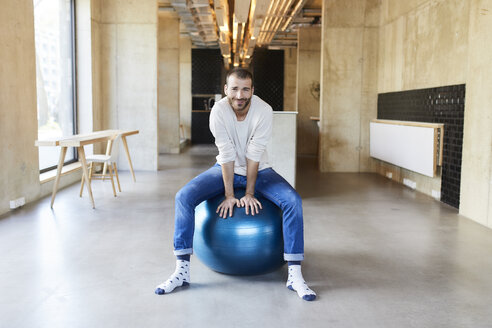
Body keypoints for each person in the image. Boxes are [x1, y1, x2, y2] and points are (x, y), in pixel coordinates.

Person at [155, 68, 316, 301]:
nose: (240, 95)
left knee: (293, 201)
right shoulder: (218, 111)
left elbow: (255, 154)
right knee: (183, 196)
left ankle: (295, 274)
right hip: (223, 168)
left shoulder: (264, 110)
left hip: (261, 169)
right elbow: (227, 154)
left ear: (252, 90)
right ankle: (182, 271)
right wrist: (230, 194)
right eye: (234, 89)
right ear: (225, 90)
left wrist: (249, 192)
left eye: (245, 89)